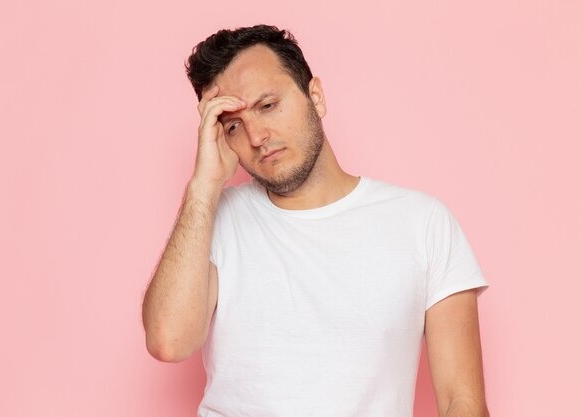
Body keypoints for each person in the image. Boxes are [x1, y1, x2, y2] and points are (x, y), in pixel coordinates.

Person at [142, 24, 491, 417]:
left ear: (316, 97)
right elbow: (168, 341)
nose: (256, 136)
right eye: (233, 125)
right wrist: (202, 188)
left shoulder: (422, 223)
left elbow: (461, 401)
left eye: (268, 105)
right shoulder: (213, 219)